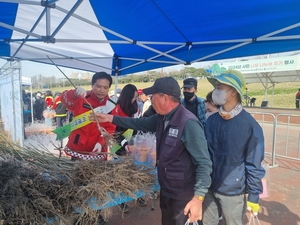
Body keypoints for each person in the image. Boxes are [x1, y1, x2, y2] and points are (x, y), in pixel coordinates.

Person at [90, 77, 212, 225]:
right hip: (167, 190)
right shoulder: (162, 118)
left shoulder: (188, 123)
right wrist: (109, 118)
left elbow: (204, 163)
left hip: (184, 195)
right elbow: (137, 123)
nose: (150, 99)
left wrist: (198, 199)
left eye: (153, 96)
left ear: (165, 98)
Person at [203, 70, 265, 225]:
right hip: (209, 187)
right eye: (215, 87)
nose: (215, 92)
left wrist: (254, 196)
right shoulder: (212, 121)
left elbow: (254, 163)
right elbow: (205, 155)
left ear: (233, 91)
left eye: (219, 87)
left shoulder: (250, 126)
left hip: (232, 191)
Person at [61, 72, 116, 161]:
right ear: (92, 85)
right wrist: (74, 93)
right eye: (98, 86)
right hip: (78, 146)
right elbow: (64, 99)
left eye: (105, 88)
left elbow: (110, 128)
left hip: (98, 150)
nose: (102, 90)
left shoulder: (111, 106)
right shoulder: (82, 98)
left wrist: (100, 143)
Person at [111, 84, 147, 212]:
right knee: (121, 174)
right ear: (126, 97)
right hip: (118, 146)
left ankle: (137, 196)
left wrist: (138, 140)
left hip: (132, 145)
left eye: (136, 98)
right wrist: (125, 144)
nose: (134, 101)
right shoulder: (116, 110)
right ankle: (121, 201)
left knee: (135, 170)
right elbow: (115, 133)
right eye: (132, 98)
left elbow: (137, 124)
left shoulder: (135, 108)